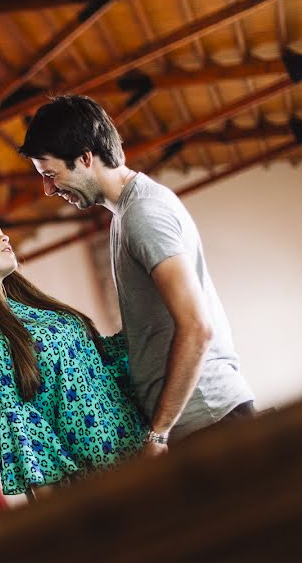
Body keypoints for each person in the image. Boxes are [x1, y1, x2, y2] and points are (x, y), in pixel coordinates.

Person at [18, 95, 255, 457]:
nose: (49, 189)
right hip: (199, 421)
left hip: (209, 419)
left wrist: (158, 433)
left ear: (85, 158)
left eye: (51, 175)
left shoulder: (143, 214)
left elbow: (196, 326)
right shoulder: (127, 214)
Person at [0, 208, 146, 498]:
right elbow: (23, 430)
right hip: (96, 486)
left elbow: (99, 363)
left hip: (138, 452)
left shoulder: (29, 309)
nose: (4, 237)